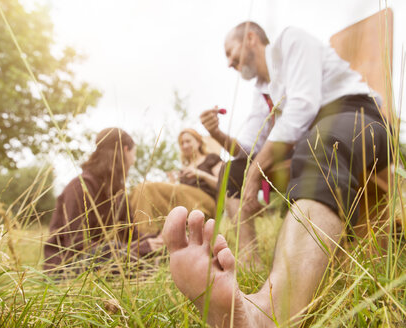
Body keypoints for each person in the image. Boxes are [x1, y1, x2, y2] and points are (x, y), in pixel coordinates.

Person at [162, 21, 389, 327]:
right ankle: (248, 261)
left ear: (251, 38)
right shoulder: (261, 91)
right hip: (305, 141)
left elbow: (302, 106)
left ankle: (271, 311)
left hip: (355, 116)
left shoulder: (290, 41)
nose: (229, 62)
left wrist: (257, 172)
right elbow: (248, 147)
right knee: (232, 171)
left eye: (231, 53)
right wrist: (216, 133)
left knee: (319, 146)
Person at [43, 127, 163, 273]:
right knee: (122, 253)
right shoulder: (80, 187)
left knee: (153, 258)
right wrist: (138, 249)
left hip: (100, 264)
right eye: (134, 154)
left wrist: (159, 238)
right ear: (126, 150)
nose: (133, 161)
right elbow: (77, 245)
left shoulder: (118, 193)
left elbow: (131, 235)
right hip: (66, 268)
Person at [130, 129, 222, 235]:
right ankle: (150, 239)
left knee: (146, 188)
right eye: (182, 143)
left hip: (205, 201)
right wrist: (172, 183)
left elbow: (222, 184)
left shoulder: (211, 158)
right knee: (141, 190)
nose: (185, 145)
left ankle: (144, 237)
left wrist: (201, 174)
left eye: (188, 141)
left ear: (199, 142)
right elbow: (180, 192)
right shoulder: (184, 168)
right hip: (186, 200)